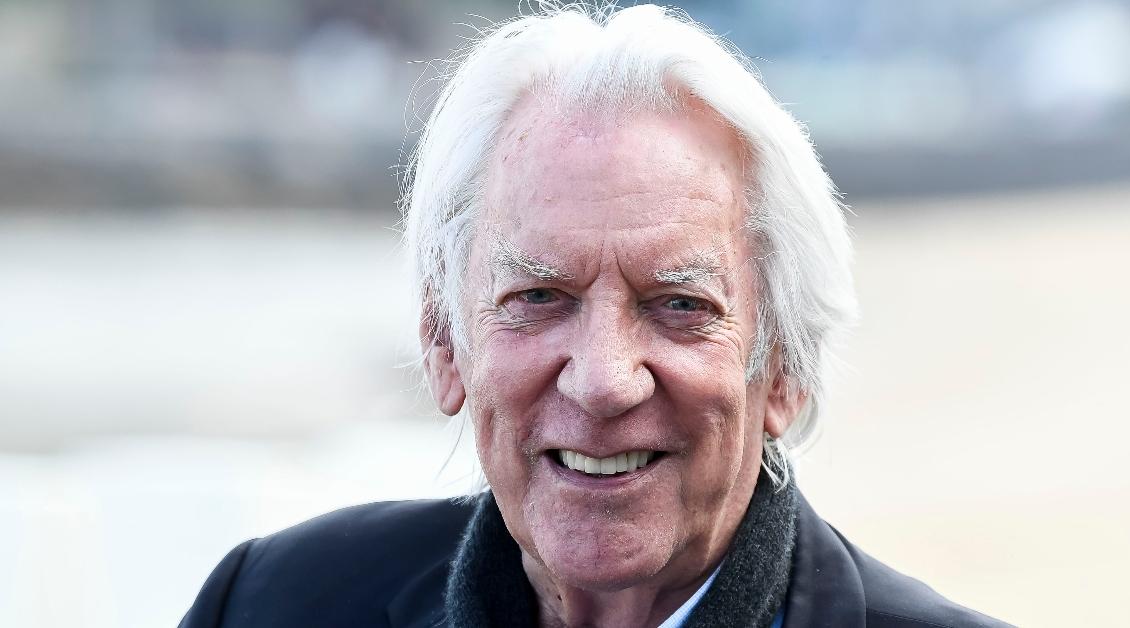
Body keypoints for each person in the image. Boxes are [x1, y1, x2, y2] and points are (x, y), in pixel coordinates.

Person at [180, 4, 1011, 627]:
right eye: (538, 299)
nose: (605, 381)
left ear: (784, 367)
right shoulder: (273, 603)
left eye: (679, 306)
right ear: (444, 342)